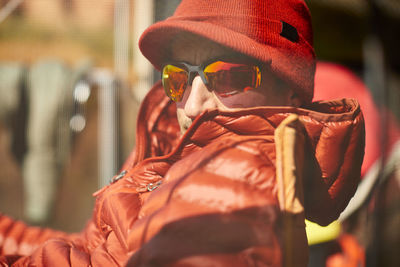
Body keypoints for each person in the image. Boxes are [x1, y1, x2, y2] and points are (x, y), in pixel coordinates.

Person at [0, 0, 365, 266]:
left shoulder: (241, 174)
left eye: (227, 76)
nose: (191, 105)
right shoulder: (178, 154)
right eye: (177, 77)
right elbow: (89, 250)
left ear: (290, 92)